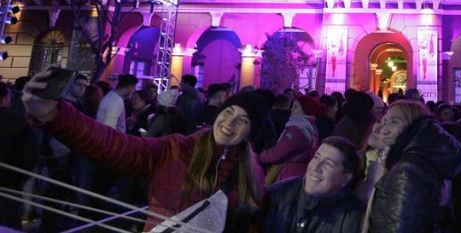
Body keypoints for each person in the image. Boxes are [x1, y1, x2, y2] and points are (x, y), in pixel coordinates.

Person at [23, 69, 267, 232]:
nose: (230, 122)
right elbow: (115, 145)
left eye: (243, 120)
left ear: (250, 133)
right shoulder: (176, 149)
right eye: (228, 111)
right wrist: (56, 116)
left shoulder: (251, 175)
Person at [364, 100, 461, 233]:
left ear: (412, 128)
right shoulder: (393, 161)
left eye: (394, 121)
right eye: (383, 120)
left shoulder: (407, 172)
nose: (382, 127)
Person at [262, 136, 364, 233]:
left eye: (328, 164)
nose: (316, 167)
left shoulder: (355, 217)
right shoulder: (279, 193)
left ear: (345, 179)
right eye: (316, 157)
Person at [0, 82, 37, 230]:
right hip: (10, 181)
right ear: (4, 99)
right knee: (7, 219)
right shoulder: (18, 123)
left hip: (10, 179)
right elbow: (31, 154)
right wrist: (22, 177)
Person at [260, 96, 319, 183]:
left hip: (289, 175)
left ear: (305, 110)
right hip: (299, 173)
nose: (291, 109)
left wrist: (259, 155)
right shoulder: (309, 126)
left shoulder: (297, 129)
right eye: (292, 106)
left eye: (296, 107)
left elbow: (277, 153)